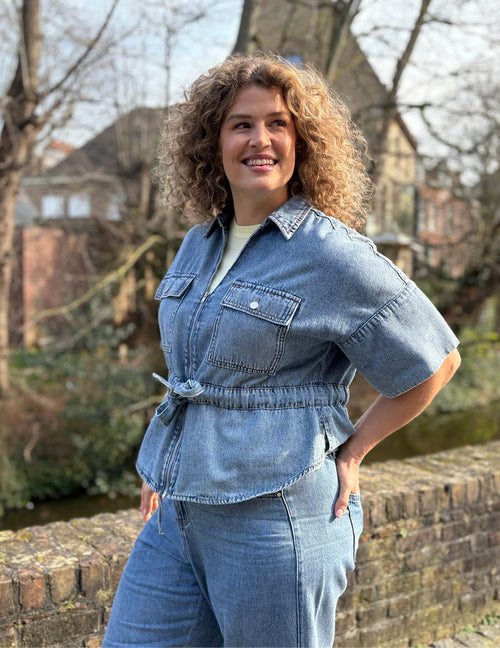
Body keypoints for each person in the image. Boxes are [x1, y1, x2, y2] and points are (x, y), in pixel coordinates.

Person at [103, 53, 460, 648]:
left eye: (278, 124)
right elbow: (192, 370)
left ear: (303, 142)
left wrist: (354, 450)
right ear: (213, 142)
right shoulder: (197, 243)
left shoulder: (331, 253)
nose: (259, 139)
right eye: (240, 124)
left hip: (276, 519)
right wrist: (169, 459)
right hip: (177, 516)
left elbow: (436, 361)